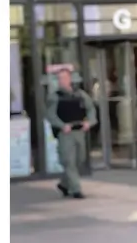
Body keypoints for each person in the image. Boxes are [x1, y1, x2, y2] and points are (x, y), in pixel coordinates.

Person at [46, 68, 97, 199]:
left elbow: (90, 109)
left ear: (70, 79)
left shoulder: (80, 94)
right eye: (60, 78)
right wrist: (62, 126)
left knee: (80, 160)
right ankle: (76, 189)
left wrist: (89, 122)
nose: (63, 80)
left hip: (79, 131)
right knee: (68, 161)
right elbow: (50, 115)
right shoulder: (55, 96)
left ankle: (64, 184)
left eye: (65, 77)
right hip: (66, 134)